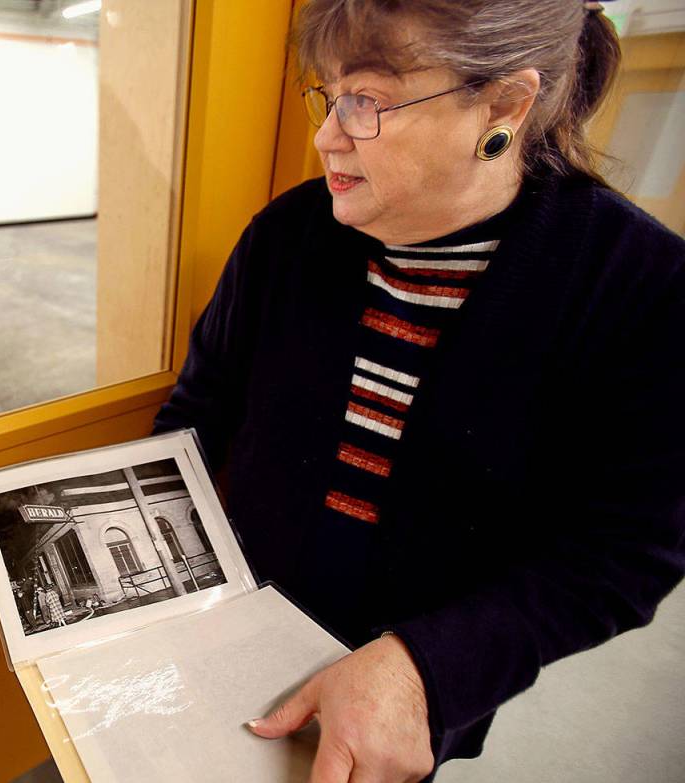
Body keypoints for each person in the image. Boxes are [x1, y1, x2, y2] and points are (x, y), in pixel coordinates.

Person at [153, 1, 685, 781]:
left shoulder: (646, 290)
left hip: (417, 678)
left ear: (504, 104)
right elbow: (198, 412)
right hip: (235, 630)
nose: (327, 136)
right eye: (330, 95)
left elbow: (625, 552)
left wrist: (423, 669)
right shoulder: (286, 236)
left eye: (367, 99)